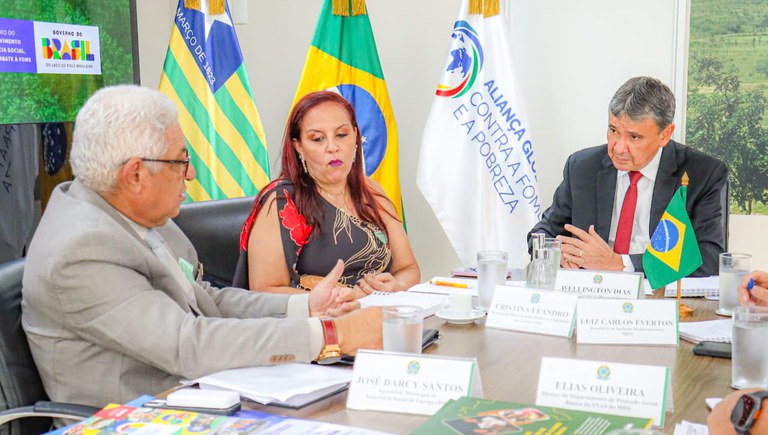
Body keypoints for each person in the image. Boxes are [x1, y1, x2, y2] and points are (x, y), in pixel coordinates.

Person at [21, 85, 382, 409]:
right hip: (135, 417)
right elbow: (188, 344)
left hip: (196, 396)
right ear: (135, 175)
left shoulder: (134, 213)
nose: (191, 174)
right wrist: (331, 335)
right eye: (181, 161)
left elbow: (203, 299)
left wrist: (305, 306)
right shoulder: (82, 249)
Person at [528, 76, 727, 276]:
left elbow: (709, 255)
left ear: (665, 135)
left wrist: (620, 264)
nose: (619, 148)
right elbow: (542, 233)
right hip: (593, 288)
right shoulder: (582, 167)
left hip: (657, 289)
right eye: (613, 130)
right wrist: (555, 252)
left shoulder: (702, 174)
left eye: (634, 137)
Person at [235, 91, 420, 296]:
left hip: (378, 311)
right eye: (317, 139)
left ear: (356, 137)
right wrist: (343, 299)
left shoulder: (371, 191)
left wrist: (397, 286)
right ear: (299, 146)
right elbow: (265, 291)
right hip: (317, 315)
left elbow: (408, 269)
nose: (333, 147)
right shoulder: (281, 202)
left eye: (341, 135)